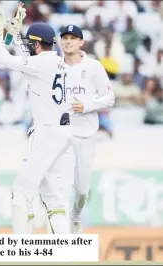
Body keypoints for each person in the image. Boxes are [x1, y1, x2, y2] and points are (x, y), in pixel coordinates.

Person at [0, 4, 75, 234]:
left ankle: (21, 249)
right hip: (63, 134)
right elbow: (29, 60)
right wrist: (16, 36)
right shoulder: (58, 62)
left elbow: (6, 60)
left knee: (20, 195)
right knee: (54, 200)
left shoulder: (40, 63)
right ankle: (62, 253)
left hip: (45, 133)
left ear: (36, 44)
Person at [59, 25, 115, 233]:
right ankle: (61, 235)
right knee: (60, 188)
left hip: (85, 135)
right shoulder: (56, 67)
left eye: (73, 38)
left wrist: (87, 106)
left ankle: (76, 215)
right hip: (62, 135)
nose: (68, 41)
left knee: (82, 190)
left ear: (81, 42)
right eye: (65, 37)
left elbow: (109, 98)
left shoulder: (93, 67)